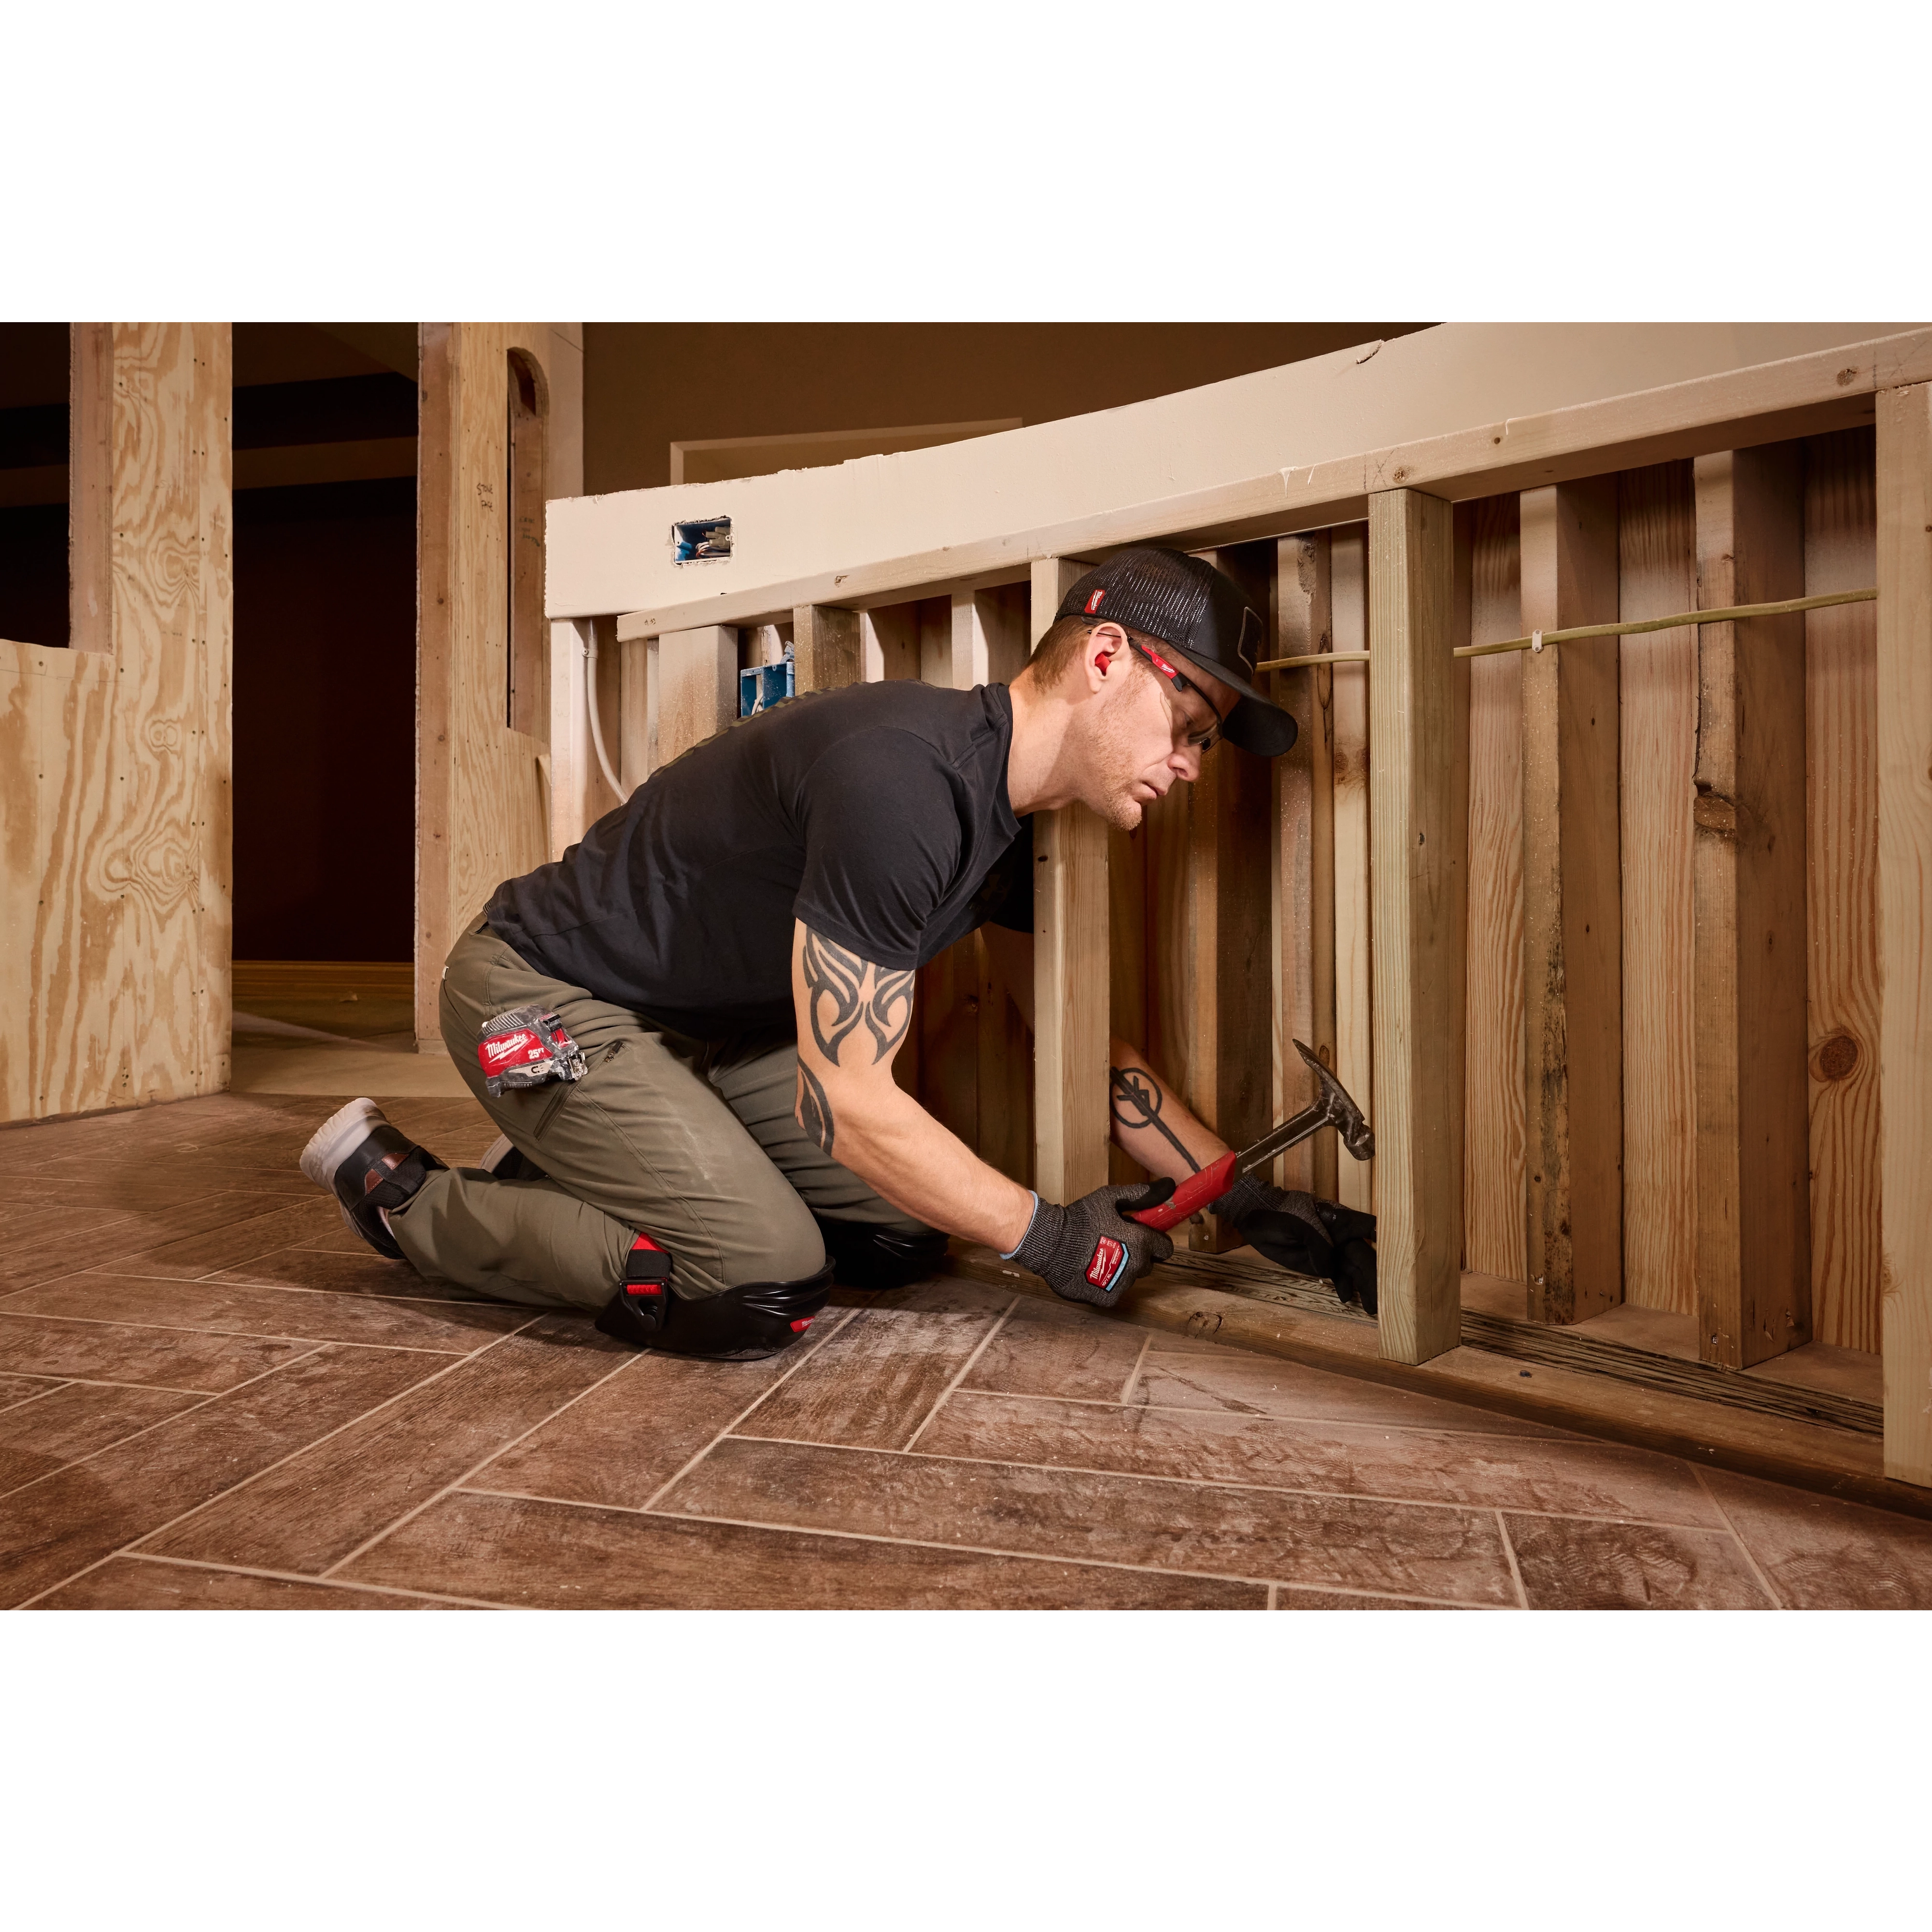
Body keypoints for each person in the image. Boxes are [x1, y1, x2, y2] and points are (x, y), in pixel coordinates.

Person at [300, 547, 1376, 1361]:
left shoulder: (1010, 829)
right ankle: (410, 1200)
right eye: (1189, 720)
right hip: (540, 993)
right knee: (758, 1281)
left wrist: (1240, 1195)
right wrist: (1051, 1239)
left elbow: (1075, 1044)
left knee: (903, 1237)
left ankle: (568, 1162)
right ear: (1105, 657)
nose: (1189, 763)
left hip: (708, 1036)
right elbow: (855, 1104)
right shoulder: (900, 785)